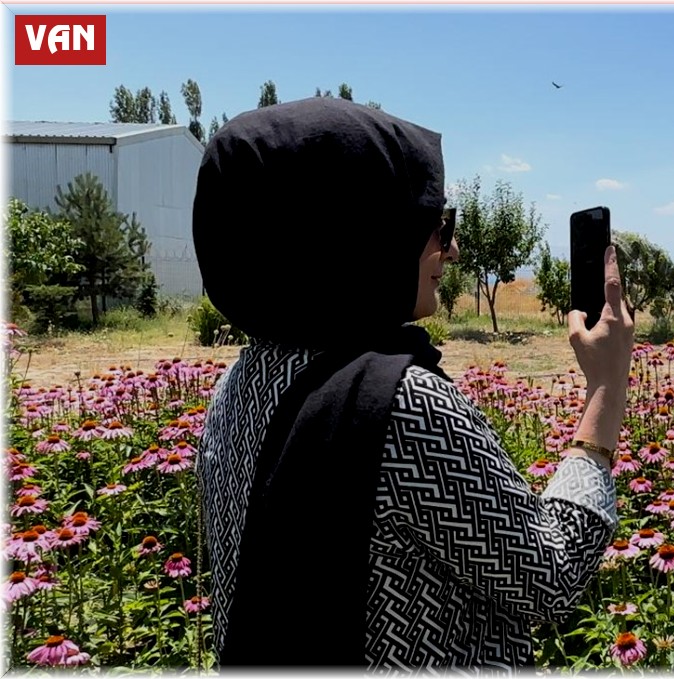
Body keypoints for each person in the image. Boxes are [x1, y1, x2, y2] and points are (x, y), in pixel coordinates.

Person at [192, 97, 634, 670]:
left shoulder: (240, 382)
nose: (449, 248)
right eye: (434, 224)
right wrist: (606, 392)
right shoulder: (402, 403)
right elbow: (546, 577)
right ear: (355, 231)